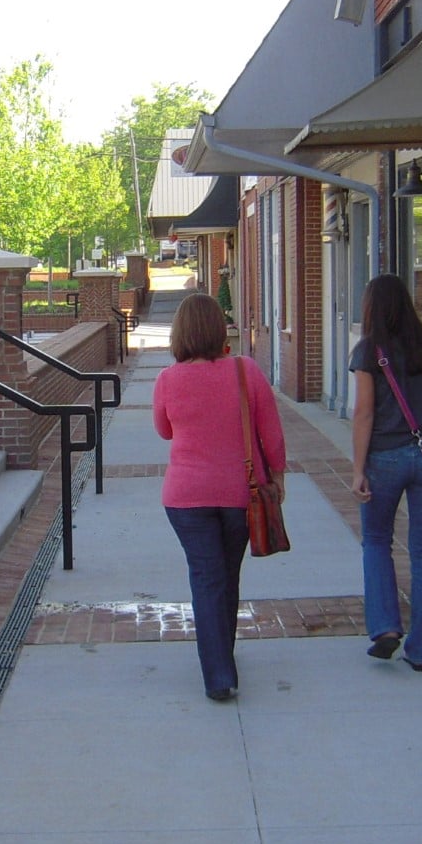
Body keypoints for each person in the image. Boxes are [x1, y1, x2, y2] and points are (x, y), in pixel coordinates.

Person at [153, 292, 285, 702]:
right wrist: (277, 480)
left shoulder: (167, 380)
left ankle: (219, 672)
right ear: (218, 329)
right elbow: (272, 434)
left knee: (208, 578)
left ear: (180, 334)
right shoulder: (246, 371)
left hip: (185, 496)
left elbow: (165, 431)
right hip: (240, 493)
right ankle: (221, 660)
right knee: (227, 574)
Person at [349, 274, 422, 671]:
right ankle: (421, 650)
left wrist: (358, 468)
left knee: (377, 541)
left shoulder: (368, 351)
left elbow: (363, 412)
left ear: (371, 309)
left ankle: (384, 628)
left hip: (384, 456)